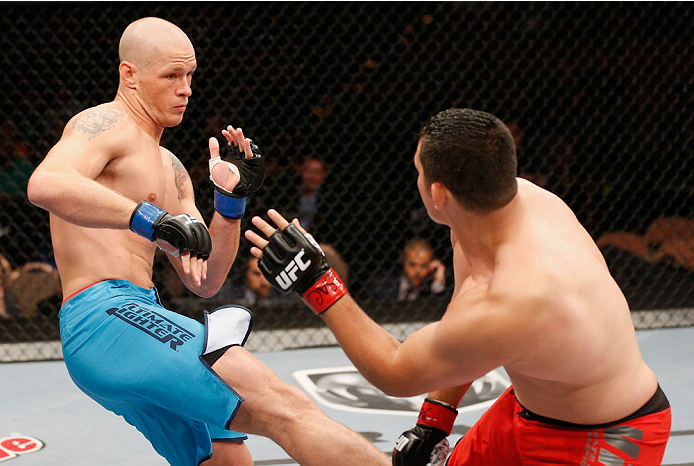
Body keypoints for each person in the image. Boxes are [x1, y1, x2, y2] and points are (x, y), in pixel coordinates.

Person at [26, 17, 389, 466]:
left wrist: (231, 203)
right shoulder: (104, 123)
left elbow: (206, 278)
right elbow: (45, 184)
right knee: (283, 406)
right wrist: (149, 219)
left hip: (139, 315)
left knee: (225, 458)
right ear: (130, 75)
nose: (186, 90)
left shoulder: (172, 168)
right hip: (104, 316)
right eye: (172, 76)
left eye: (190, 76)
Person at [246, 108, 671, 466]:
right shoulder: (496, 210)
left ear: (438, 193)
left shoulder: (515, 298)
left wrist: (317, 281)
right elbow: (467, 316)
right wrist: (435, 417)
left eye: (416, 171)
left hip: (610, 437)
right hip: (531, 408)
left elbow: (394, 372)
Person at [367, 238, 446, 301]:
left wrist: (438, 283)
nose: (418, 271)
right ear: (403, 261)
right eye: (412, 264)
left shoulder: (429, 291)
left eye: (424, 266)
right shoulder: (381, 285)